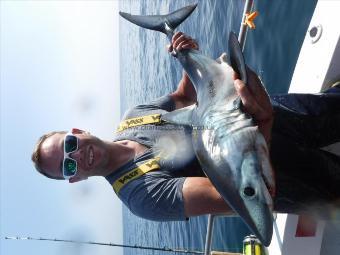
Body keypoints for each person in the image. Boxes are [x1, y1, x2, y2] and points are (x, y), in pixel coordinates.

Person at [31, 32, 340, 221]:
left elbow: (182, 97)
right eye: (68, 167)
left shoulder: (134, 116)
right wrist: (263, 124)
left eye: (69, 146)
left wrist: (187, 53)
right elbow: (241, 195)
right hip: (279, 171)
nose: (76, 156)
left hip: (276, 115)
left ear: (77, 132)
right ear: (76, 179)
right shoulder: (141, 196)